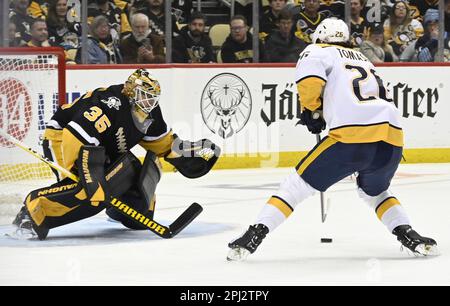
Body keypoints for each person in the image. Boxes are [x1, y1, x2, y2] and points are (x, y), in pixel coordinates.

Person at [227, 18, 438, 261]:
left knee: (295, 185)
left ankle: (256, 234)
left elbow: (310, 85)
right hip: (391, 139)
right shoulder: (361, 57)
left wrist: (312, 111)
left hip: (351, 137)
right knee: (374, 193)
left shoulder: (316, 50)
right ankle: (407, 233)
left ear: (319, 37)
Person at [11, 68, 220, 240]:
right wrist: (88, 174)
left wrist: (187, 154)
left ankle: (118, 212)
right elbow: (75, 136)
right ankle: (31, 211)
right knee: (86, 192)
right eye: (145, 97)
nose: (150, 103)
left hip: (100, 148)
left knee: (134, 194)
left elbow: (161, 143)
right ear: (130, 92)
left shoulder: (150, 111)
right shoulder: (110, 103)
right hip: (62, 138)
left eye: (152, 99)